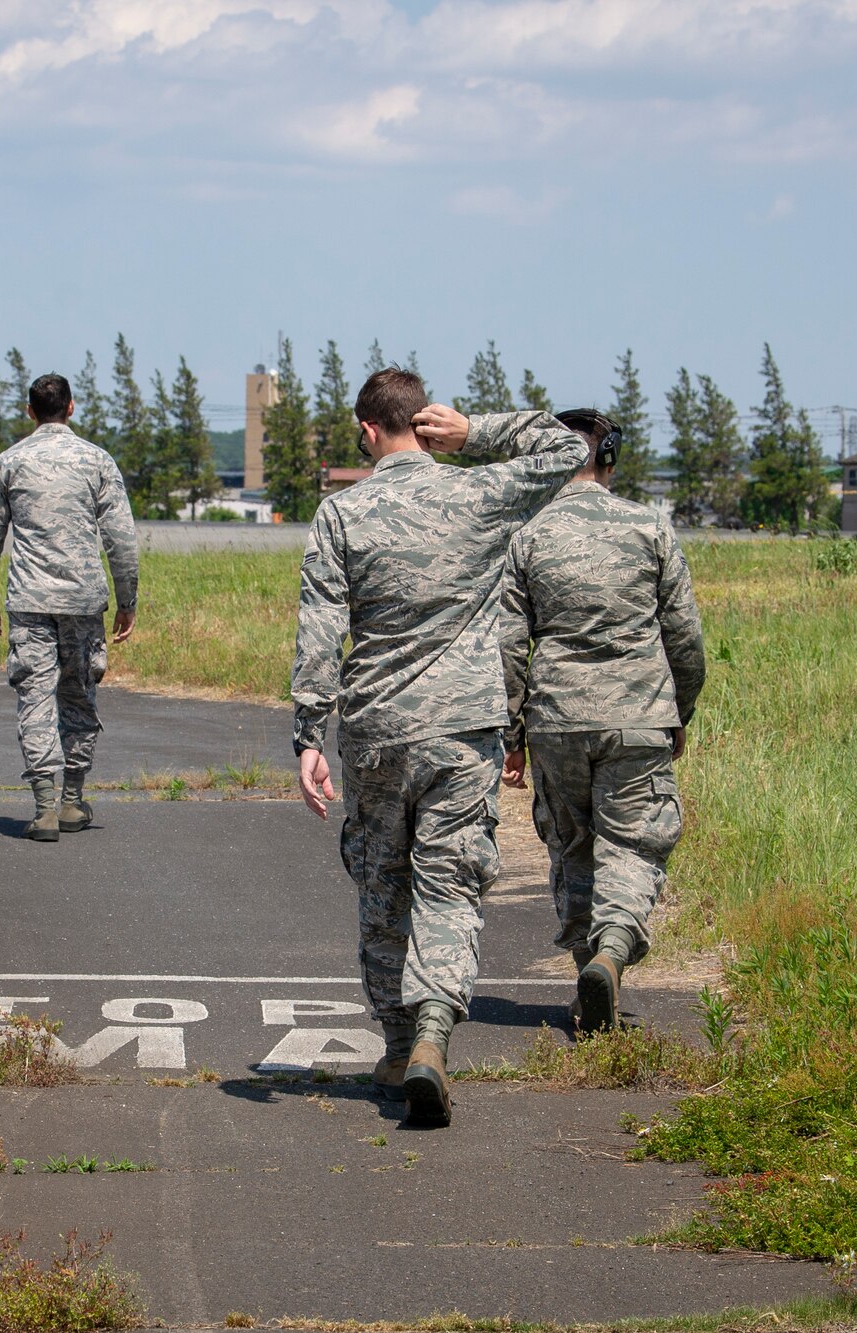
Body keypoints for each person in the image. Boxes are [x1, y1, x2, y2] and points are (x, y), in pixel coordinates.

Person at [292, 368, 587, 1128]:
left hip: (377, 732)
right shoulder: (479, 494)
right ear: (423, 423)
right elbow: (566, 447)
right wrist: (477, 433)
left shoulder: (341, 514)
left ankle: (396, 1041)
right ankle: (431, 1034)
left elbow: (321, 632)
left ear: (367, 432)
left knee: (383, 885)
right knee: (449, 884)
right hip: (463, 730)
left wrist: (307, 734)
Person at [497, 409, 706, 1034]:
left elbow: (508, 645)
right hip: (638, 715)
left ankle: (592, 975)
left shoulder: (527, 535)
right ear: (609, 457)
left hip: (557, 719)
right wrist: (679, 712)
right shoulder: (651, 527)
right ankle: (612, 953)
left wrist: (512, 735)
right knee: (635, 844)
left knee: (573, 846)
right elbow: (686, 639)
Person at [0, 371, 140, 841]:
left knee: (34, 697)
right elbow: (122, 540)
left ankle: (42, 806)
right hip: (83, 602)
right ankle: (72, 800)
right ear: (72, 408)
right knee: (79, 695)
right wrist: (127, 599)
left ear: (29, 411)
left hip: (30, 600)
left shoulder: (10, 463)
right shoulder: (97, 461)